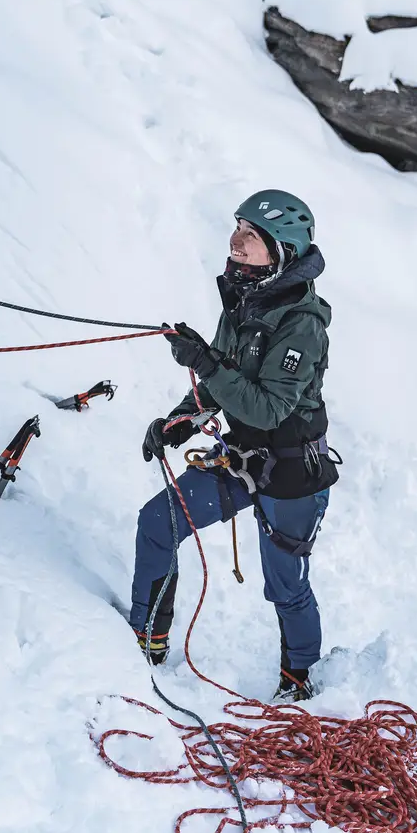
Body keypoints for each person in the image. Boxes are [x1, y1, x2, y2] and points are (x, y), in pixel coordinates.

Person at [130, 190, 339, 702]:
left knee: (284, 584)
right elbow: (222, 371)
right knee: (158, 523)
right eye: (237, 228)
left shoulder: (302, 324)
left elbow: (266, 408)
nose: (235, 242)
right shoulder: (245, 296)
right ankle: (145, 639)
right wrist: (181, 419)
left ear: (281, 251)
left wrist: (204, 364)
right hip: (240, 461)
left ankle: (300, 679)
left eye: (250, 235)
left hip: (291, 475)